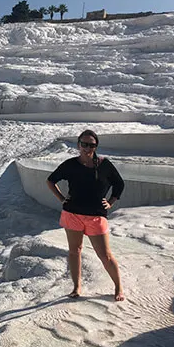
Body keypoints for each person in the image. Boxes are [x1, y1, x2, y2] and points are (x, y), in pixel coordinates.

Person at [46, 129, 125, 301]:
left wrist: (111, 201)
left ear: (96, 147)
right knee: (75, 251)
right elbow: (51, 180)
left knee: (105, 255)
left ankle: (118, 287)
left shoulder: (104, 165)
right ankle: (76, 287)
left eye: (91, 145)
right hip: (72, 214)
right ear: (78, 145)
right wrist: (61, 199)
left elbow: (119, 184)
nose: (87, 148)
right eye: (84, 144)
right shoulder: (70, 164)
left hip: (96, 215)